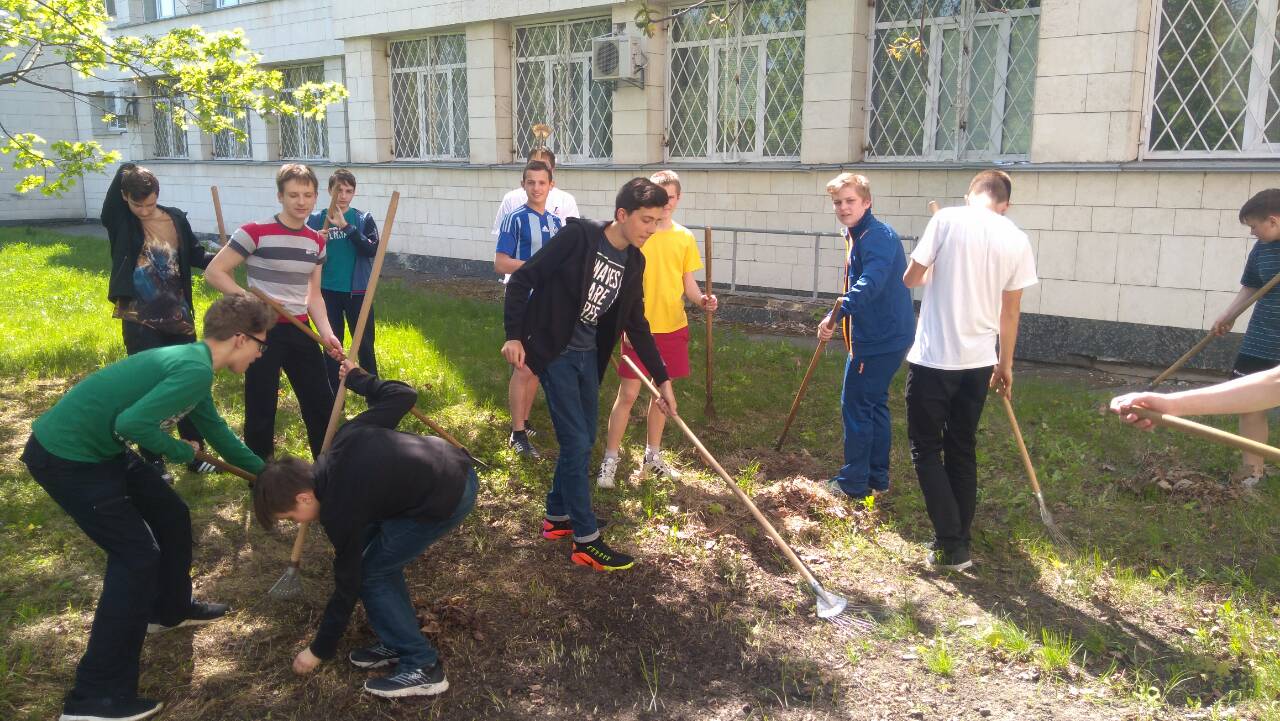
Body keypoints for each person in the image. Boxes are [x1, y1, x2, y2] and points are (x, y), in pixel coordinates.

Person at [20, 294, 272, 721]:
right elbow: (132, 424)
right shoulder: (194, 369)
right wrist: (182, 452)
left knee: (171, 514)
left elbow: (217, 432)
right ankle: (94, 699)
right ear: (240, 338)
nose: (260, 355)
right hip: (69, 456)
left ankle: (168, 610)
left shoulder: (197, 366)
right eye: (261, 345)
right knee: (136, 558)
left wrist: (265, 475)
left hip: (101, 449)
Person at [252, 360, 476, 699]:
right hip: (446, 464)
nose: (299, 524)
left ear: (303, 496)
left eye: (292, 517)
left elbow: (348, 584)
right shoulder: (343, 439)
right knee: (376, 561)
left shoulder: (339, 509)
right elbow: (402, 395)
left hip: (449, 493)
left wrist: (319, 649)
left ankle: (422, 665)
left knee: (371, 573)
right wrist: (360, 380)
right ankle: (396, 639)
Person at [502, 178, 678, 571]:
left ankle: (557, 517)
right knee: (578, 442)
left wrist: (663, 381)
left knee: (584, 439)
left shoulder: (634, 262)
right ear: (622, 214)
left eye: (657, 221)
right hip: (555, 352)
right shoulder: (579, 238)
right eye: (646, 220)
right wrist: (513, 335)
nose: (652, 229)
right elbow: (524, 278)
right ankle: (586, 540)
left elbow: (637, 324)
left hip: (587, 356)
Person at [901, 170, 1038, 572]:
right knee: (962, 446)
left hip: (934, 359)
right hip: (979, 362)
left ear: (969, 196)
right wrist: (1005, 363)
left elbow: (910, 279)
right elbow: (1011, 311)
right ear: (1005, 205)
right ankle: (959, 539)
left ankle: (951, 544)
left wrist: (932, 268)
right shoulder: (1017, 238)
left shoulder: (946, 219)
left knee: (926, 448)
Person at [204, 163, 342, 461]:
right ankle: (259, 474)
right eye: (293, 195)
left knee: (321, 402)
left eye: (307, 195)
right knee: (261, 405)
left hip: (300, 328)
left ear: (316, 197)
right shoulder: (255, 232)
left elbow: (314, 295)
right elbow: (215, 272)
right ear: (280, 196)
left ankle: (328, 468)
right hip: (262, 331)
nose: (301, 202)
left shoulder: (317, 241)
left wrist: (327, 333)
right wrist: (250, 302)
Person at [598, 170, 716, 487]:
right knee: (628, 394)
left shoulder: (684, 238)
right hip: (639, 329)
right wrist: (622, 323)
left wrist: (702, 300)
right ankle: (611, 458)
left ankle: (652, 456)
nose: (665, 204)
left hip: (672, 326)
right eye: (660, 197)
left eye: (671, 197)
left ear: (678, 199)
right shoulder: (639, 235)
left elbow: (688, 283)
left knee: (662, 395)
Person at [100, 162, 217, 478]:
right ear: (125, 197)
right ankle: (153, 459)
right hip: (140, 318)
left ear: (158, 196)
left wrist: (224, 258)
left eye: (149, 204)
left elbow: (195, 255)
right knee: (148, 387)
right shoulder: (120, 220)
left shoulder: (175, 218)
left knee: (188, 382)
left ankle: (195, 453)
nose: (143, 210)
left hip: (178, 315)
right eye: (136, 204)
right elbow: (115, 198)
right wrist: (130, 170)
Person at [815, 173, 915, 500]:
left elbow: (870, 283)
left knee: (857, 406)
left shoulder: (877, 238)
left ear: (867, 202)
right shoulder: (860, 233)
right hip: (885, 334)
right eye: (838, 202)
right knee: (874, 404)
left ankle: (853, 483)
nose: (843, 208)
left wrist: (837, 312)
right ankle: (876, 478)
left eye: (850, 201)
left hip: (879, 339)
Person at [1205, 189, 1280, 487]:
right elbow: (1250, 286)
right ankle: (1253, 473)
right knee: (1249, 402)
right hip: (1261, 337)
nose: (1252, 233)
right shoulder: (1262, 249)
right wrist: (1229, 314)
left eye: (1254, 226)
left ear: (1273, 221)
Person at [496, 160, 564, 458]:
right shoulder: (515, 218)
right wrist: (536, 267)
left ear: (551, 185)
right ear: (523, 185)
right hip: (523, 301)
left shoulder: (557, 222)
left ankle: (524, 421)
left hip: (550, 303)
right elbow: (500, 262)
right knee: (522, 366)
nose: (536, 188)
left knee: (537, 365)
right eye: (531, 182)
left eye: (542, 182)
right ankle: (517, 433)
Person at [306, 168, 380, 393]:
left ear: (354, 193)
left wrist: (346, 228)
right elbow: (304, 255)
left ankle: (372, 393)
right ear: (330, 191)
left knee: (364, 344)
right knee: (332, 346)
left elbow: (371, 249)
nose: (343, 195)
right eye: (339, 190)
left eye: (349, 191)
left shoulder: (363, 219)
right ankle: (334, 395)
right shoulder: (317, 219)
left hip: (358, 292)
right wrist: (316, 241)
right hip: (326, 292)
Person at [491, 148, 579, 233]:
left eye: (543, 165)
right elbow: (502, 235)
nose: (538, 169)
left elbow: (572, 235)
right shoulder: (511, 200)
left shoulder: (566, 201)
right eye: (533, 164)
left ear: (552, 170)